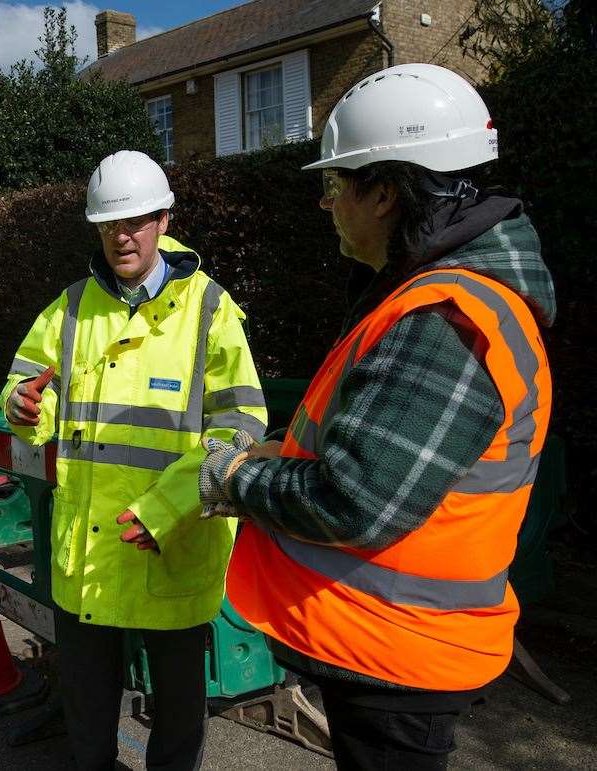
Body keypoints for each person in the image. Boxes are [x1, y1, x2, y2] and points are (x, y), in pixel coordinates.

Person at [198, 64, 554, 770]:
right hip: (393, 646)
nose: (326, 204)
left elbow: (353, 500)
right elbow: (379, 455)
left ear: (386, 193)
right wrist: (282, 454)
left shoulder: (447, 318)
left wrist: (233, 475)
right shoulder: (432, 296)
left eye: (335, 186)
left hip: (399, 653)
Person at [2, 150, 267, 769]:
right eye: (109, 225)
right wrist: (22, 407)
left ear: (164, 220)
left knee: (176, 725)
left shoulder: (210, 310)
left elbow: (242, 424)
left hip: (172, 547)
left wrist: (171, 507)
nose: (122, 236)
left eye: (137, 222)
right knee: (89, 722)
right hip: (88, 558)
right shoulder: (68, 311)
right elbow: (25, 388)